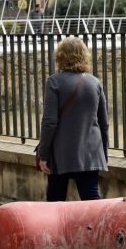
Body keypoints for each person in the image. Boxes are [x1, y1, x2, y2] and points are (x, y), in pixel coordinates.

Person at [37, 36, 109, 201]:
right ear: (84, 55)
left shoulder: (54, 82)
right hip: (91, 153)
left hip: (61, 154)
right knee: (91, 200)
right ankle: (96, 227)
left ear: (60, 56)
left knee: (55, 201)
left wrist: (44, 155)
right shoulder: (95, 83)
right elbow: (104, 124)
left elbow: (49, 122)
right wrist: (103, 153)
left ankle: (57, 228)